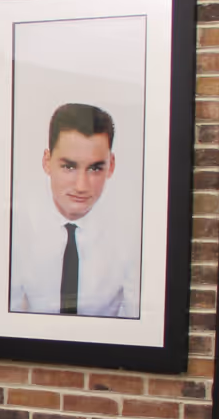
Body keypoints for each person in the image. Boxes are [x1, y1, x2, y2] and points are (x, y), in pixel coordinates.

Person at [9, 103, 140, 318]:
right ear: (46, 162)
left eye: (95, 168)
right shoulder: (16, 228)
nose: (81, 185)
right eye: (69, 167)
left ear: (112, 166)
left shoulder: (133, 236)